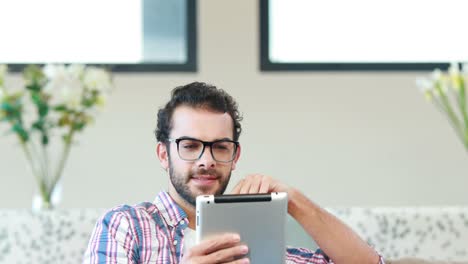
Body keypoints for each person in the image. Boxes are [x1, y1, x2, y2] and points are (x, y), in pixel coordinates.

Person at [83, 82, 385, 264]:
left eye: (220, 147)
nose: (206, 160)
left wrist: (291, 199)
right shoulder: (126, 226)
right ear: (164, 154)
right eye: (190, 146)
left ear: (235, 155)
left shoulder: (259, 241)